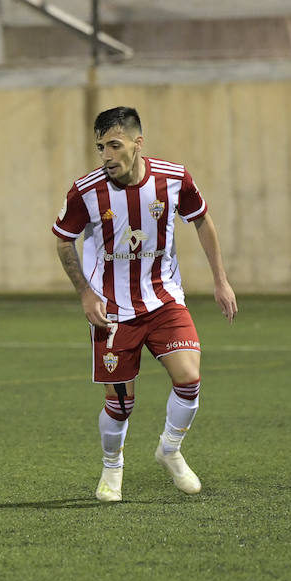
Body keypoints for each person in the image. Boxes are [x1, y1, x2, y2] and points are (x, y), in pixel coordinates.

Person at [53, 105, 237, 503]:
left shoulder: (173, 179)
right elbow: (63, 240)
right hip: (112, 311)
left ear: (138, 144)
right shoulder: (86, 191)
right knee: (121, 405)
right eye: (100, 147)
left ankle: (169, 450)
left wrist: (220, 281)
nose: (106, 156)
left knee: (189, 378)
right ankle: (112, 467)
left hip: (164, 298)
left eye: (114, 145)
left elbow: (202, 220)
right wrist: (85, 292)